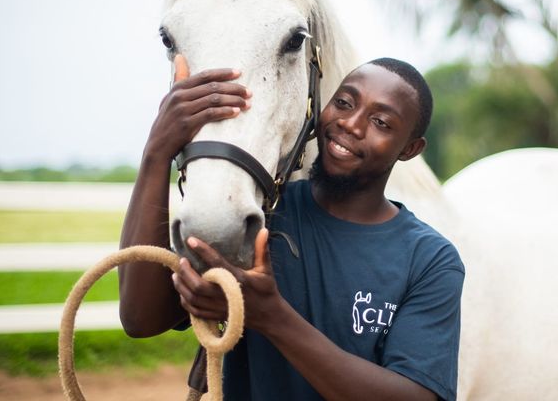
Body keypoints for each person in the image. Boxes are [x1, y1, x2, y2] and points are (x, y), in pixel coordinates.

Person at [119, 56, 465, 401]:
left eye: (381, 122)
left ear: (410, 149)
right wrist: (157, 150)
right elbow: (141, 319)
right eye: (343, 103)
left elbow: (416, 396)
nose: (352, 124)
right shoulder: (259, 215)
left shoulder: (430, 260)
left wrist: (271, 317)